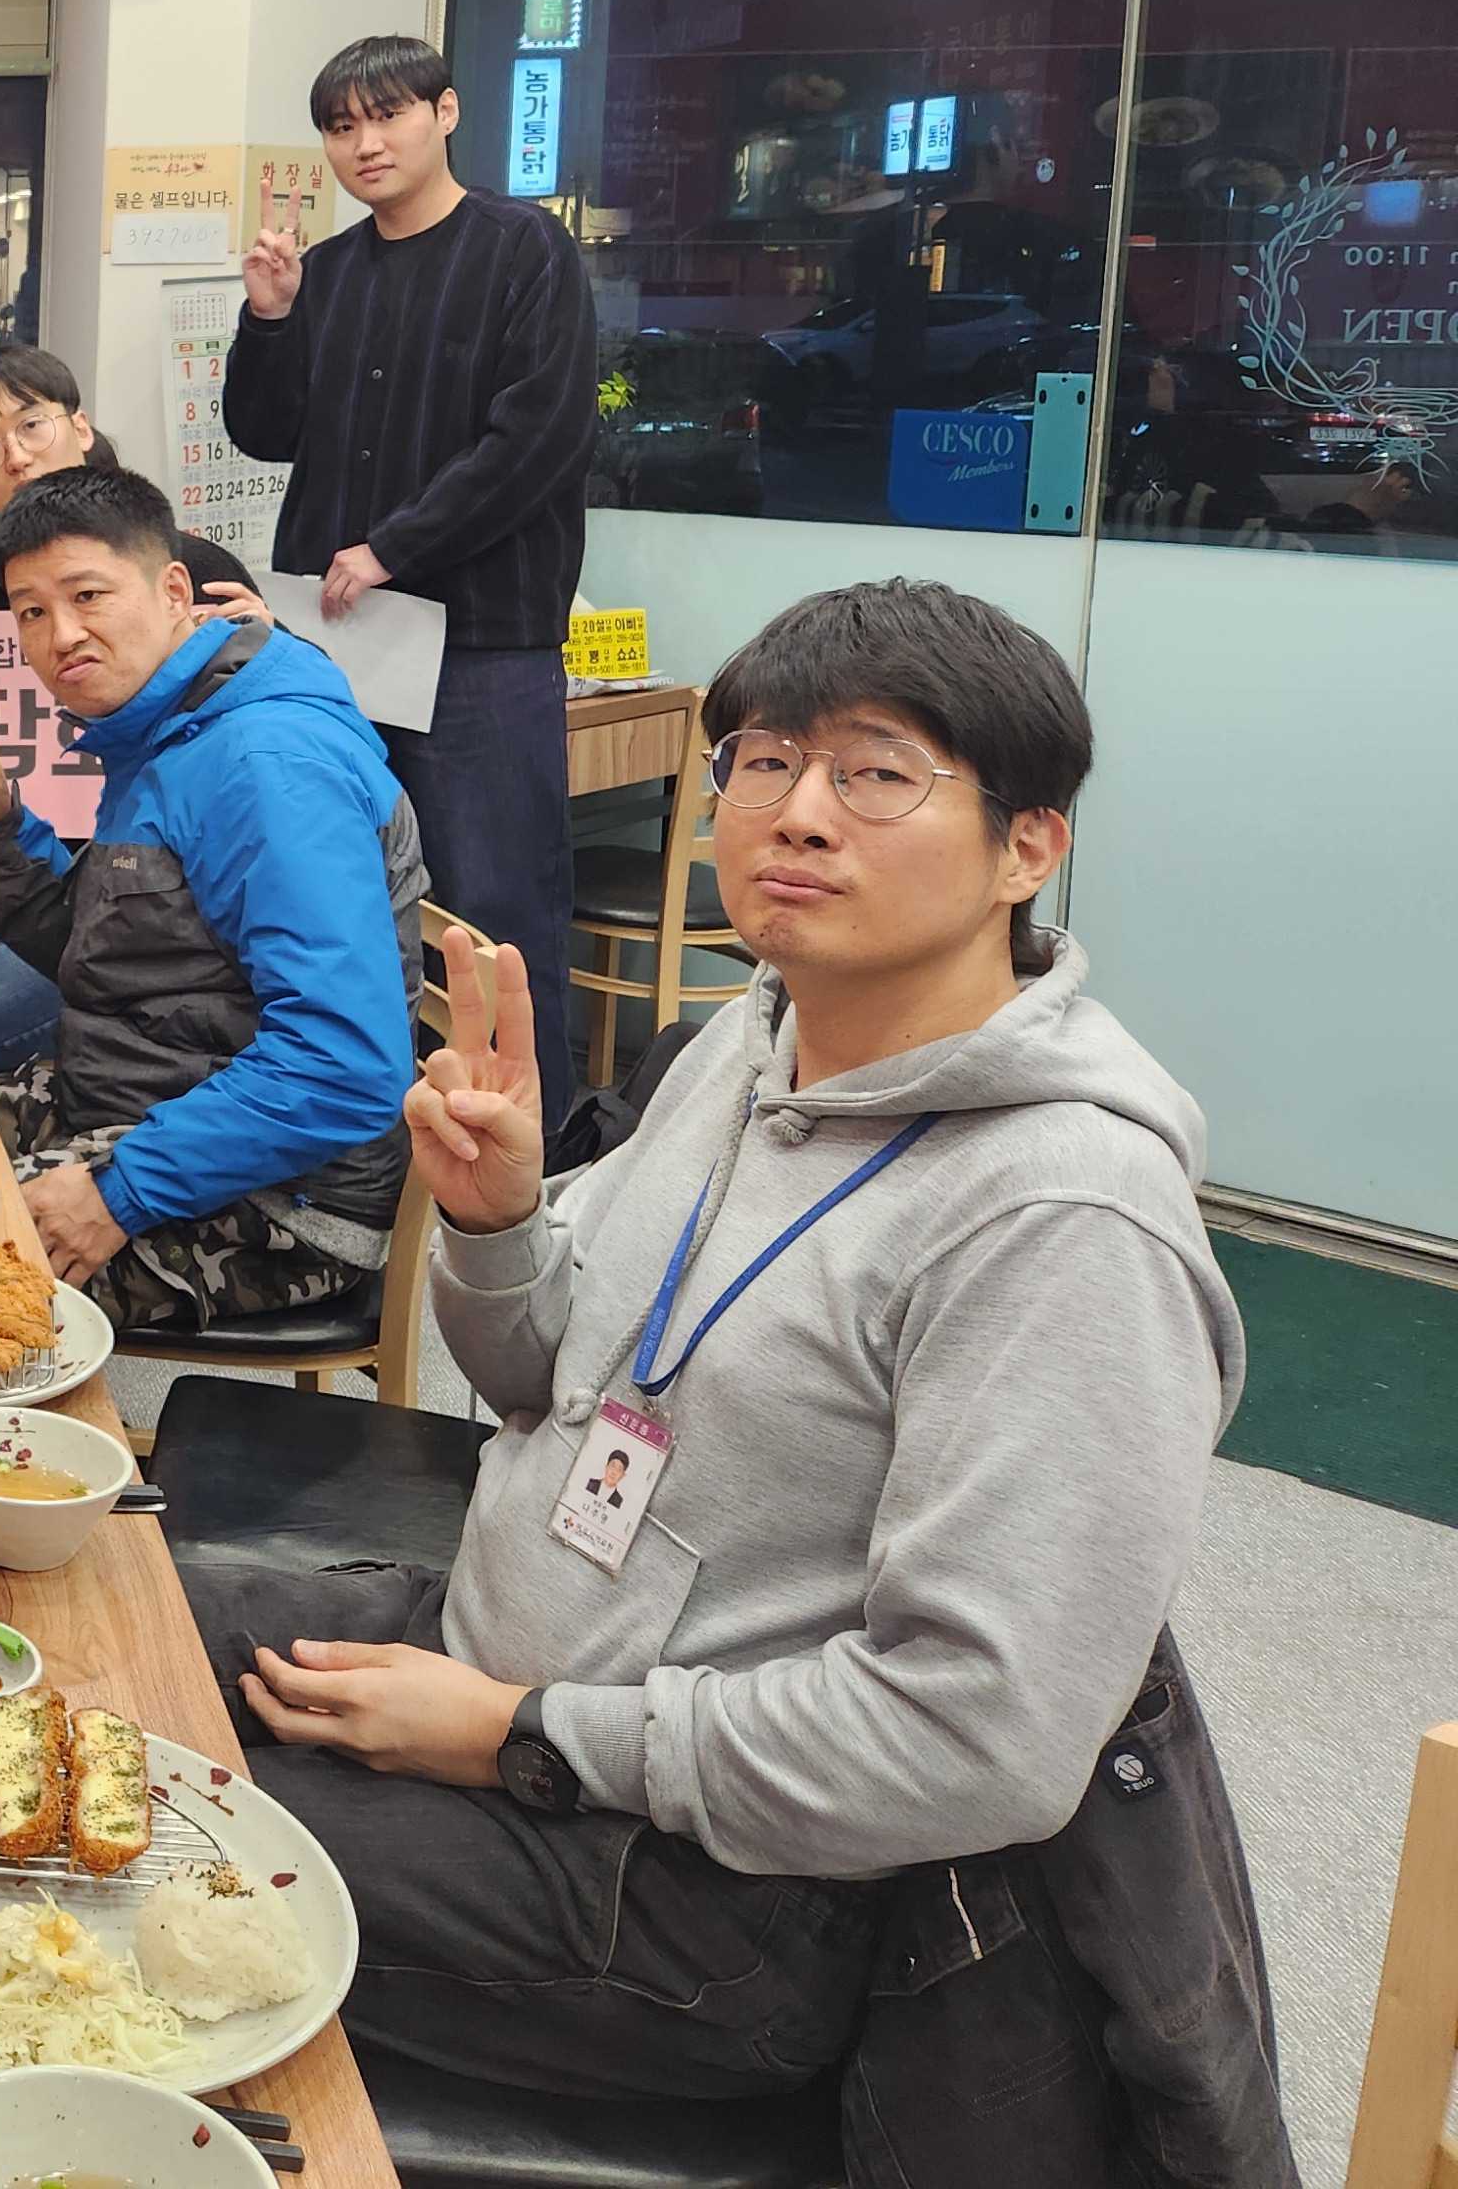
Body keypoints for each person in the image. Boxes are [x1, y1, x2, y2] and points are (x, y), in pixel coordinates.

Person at [177, 580, 1253, 2149]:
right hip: (510, 1658)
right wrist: (495, 1225)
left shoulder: (1063, 1220)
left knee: (118, 1831)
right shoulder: (750, 1045)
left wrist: (521, 1734)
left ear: (1028, 847)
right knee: (90, 1626)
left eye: (876, 772)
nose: (798, 812)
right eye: (764, 761)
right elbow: (542, 1382)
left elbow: (981, 1737)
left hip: (717, 1900)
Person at [0, 464, 423, 1330]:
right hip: (134, 1102)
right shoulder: (168, 727)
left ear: (174, 589)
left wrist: (120, 1189)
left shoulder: (266, 762)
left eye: (88, 595)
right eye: (31, 612)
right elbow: (103, 958)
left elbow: (344, 1063)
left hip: (280, 1196)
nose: (61, 635)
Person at [226, 35, 596, 1129]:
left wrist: (394, 545)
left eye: (387, 115)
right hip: (338, 643)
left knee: (492, 912)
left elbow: (537, 437)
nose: (365, 144)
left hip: (478, 643)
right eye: (341, 127)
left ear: (446, 112)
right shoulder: (330, 271)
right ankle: (373, 1148)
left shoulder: (524, 249)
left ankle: (534, 1161)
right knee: (336, 902)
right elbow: (265, 433)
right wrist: (271, 315)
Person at [0, 342, 260, 1076]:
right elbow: (78, 932)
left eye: (33, 426)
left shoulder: (190, 580)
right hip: (59, 904)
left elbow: (328, 1044)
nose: (17, 457)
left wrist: (262, 653)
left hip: (179, 952)